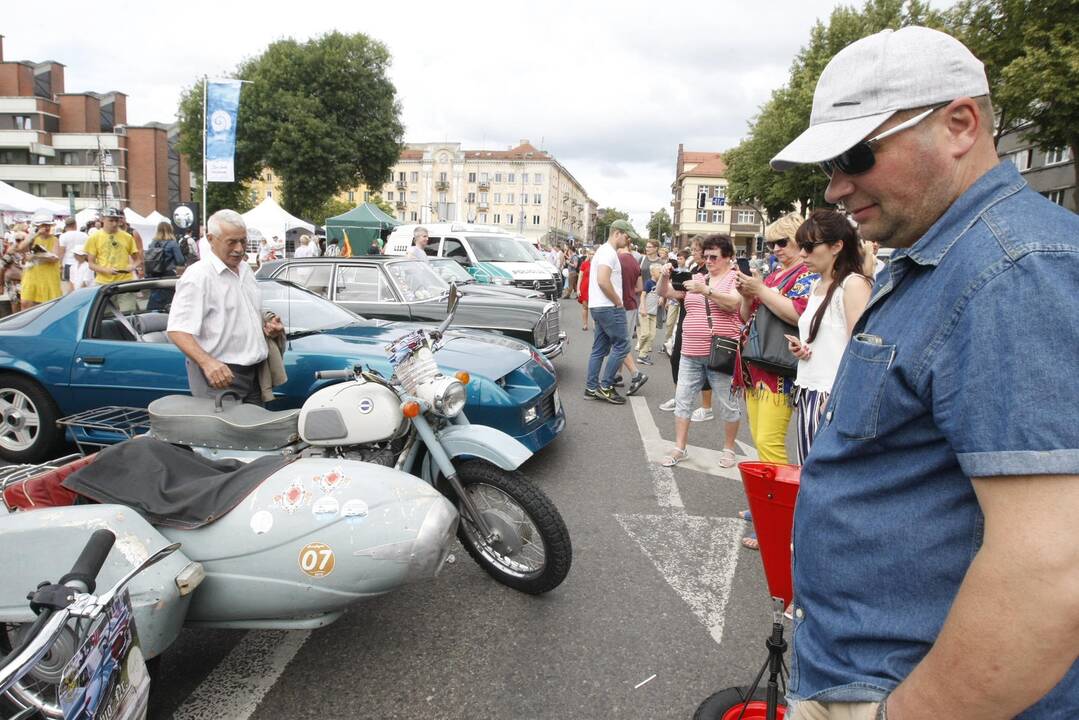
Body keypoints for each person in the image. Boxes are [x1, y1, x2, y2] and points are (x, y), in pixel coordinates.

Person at [768, 26, 1079, 720]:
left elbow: (1051, 573)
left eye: (854, 154)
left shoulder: (1013, 271)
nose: (836, 186)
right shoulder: (948, 256)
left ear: (959, 124)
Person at [167, 209, 284, 406]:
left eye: (243, 241)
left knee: (254, 435)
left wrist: (267, 328)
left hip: (254, 375)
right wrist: (207, 363)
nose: (239, 248)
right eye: (232, 242)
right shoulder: (198, 276)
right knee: (225, 436)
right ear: (211, 239)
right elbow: (177, 330)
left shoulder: (246, 270)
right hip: (219, 378)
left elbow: (243, 315)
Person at [785, 209, 872, 464]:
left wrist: (837, 397)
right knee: (809, 473)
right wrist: (804, 349)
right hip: (810, 391)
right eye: (801, 247)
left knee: (825, 479)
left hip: (831, 395)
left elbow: (862, 351)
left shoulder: (853, 284)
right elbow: (830, 339)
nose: (802, 254)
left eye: (810, 246)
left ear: (836, 246)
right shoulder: (816, 284)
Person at [658, 235, 743, 468]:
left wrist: (705, 290)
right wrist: (665, 277)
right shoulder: (698, 277)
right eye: (705, 256)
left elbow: (733, 304)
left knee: (727, 404)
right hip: (690, 351)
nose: (708, 260)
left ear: (728, 257)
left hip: (721, 351)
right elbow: (667, 293)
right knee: (683, 399)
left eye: (713, 256)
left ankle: (728, 449)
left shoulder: (733, 278)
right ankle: (679, 447)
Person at [584, 220, 637, 404]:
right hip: (609, 306)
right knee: (622, 345)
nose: (628, 239)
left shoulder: (603, 251)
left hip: (598, 306)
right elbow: (602, 280)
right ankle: (605, 387)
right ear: (617, 233)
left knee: (599, 348)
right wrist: (617, 301)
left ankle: (591, 388)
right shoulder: (608, 252)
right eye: (626, 235)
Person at [617, 244, 647, 395]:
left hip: (619, 304)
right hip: (632, 304)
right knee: (624, 341)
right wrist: (630, 290)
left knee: (620, 343)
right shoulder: (636, 262)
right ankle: (618, 375)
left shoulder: (617, 260)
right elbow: (640, 287)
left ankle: (635, 374)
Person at [84, 208, 142, 286]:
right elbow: (91, 264)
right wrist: (105, 270)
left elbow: (138, 259)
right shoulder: (94, 237)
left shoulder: (127, 237)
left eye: (116, 220)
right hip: (103, 282)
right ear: (102, 220)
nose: (114, 224)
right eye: (111, 221)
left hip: (125, 282)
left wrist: (132, 266)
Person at [16, 216, 62, 310]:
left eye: (48, 225)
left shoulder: (54, 240)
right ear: (38, 226)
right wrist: (36, 234)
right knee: (25, 302)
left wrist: (36, 256)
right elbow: (20, 248)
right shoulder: (32, 238)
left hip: (48, 274)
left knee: (48, 304)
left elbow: (55, 258)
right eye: (44, 225)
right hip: (32, 273)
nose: (47, 228)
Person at [145, 221, 188, 311]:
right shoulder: (172, 244)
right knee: (170, 301)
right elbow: (180, 261)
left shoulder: (152, 243)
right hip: (168, 274)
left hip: (154, 275)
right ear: (170, 230)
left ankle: (153, 315)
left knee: (155, 299)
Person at [636, 263, 663, 365]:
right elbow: (643, 296)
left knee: (652, 335)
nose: (660, 273)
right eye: (658, 271)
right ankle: (641, 349)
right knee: (645, 334)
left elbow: (662, 293)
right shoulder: (649, 283)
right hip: (645, 312)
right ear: (652, 272)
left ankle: (642, 356)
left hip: (653, 313)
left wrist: (661, 297)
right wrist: (643, 307)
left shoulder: (660, 284)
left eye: (661, 271)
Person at [57, 217, 87, 293]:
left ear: (66, 226)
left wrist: (59, 264)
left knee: (70, 286)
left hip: (68, 263)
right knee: (83, 285)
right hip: (83, 262)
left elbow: (61, 252)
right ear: (75, 224)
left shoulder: (63, 236)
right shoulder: (84, 235)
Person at [576, 247, 594, 331]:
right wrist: (578, 289)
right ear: (588, 255)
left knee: (594, 308)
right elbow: (580, 276)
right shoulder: (584, 264)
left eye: (593, 254)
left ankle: (595, 325)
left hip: (594, 289)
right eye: (590, 254)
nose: (592, 255)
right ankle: (585, 324)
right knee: (584, 307)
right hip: (584, 287)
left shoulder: (598, 264)